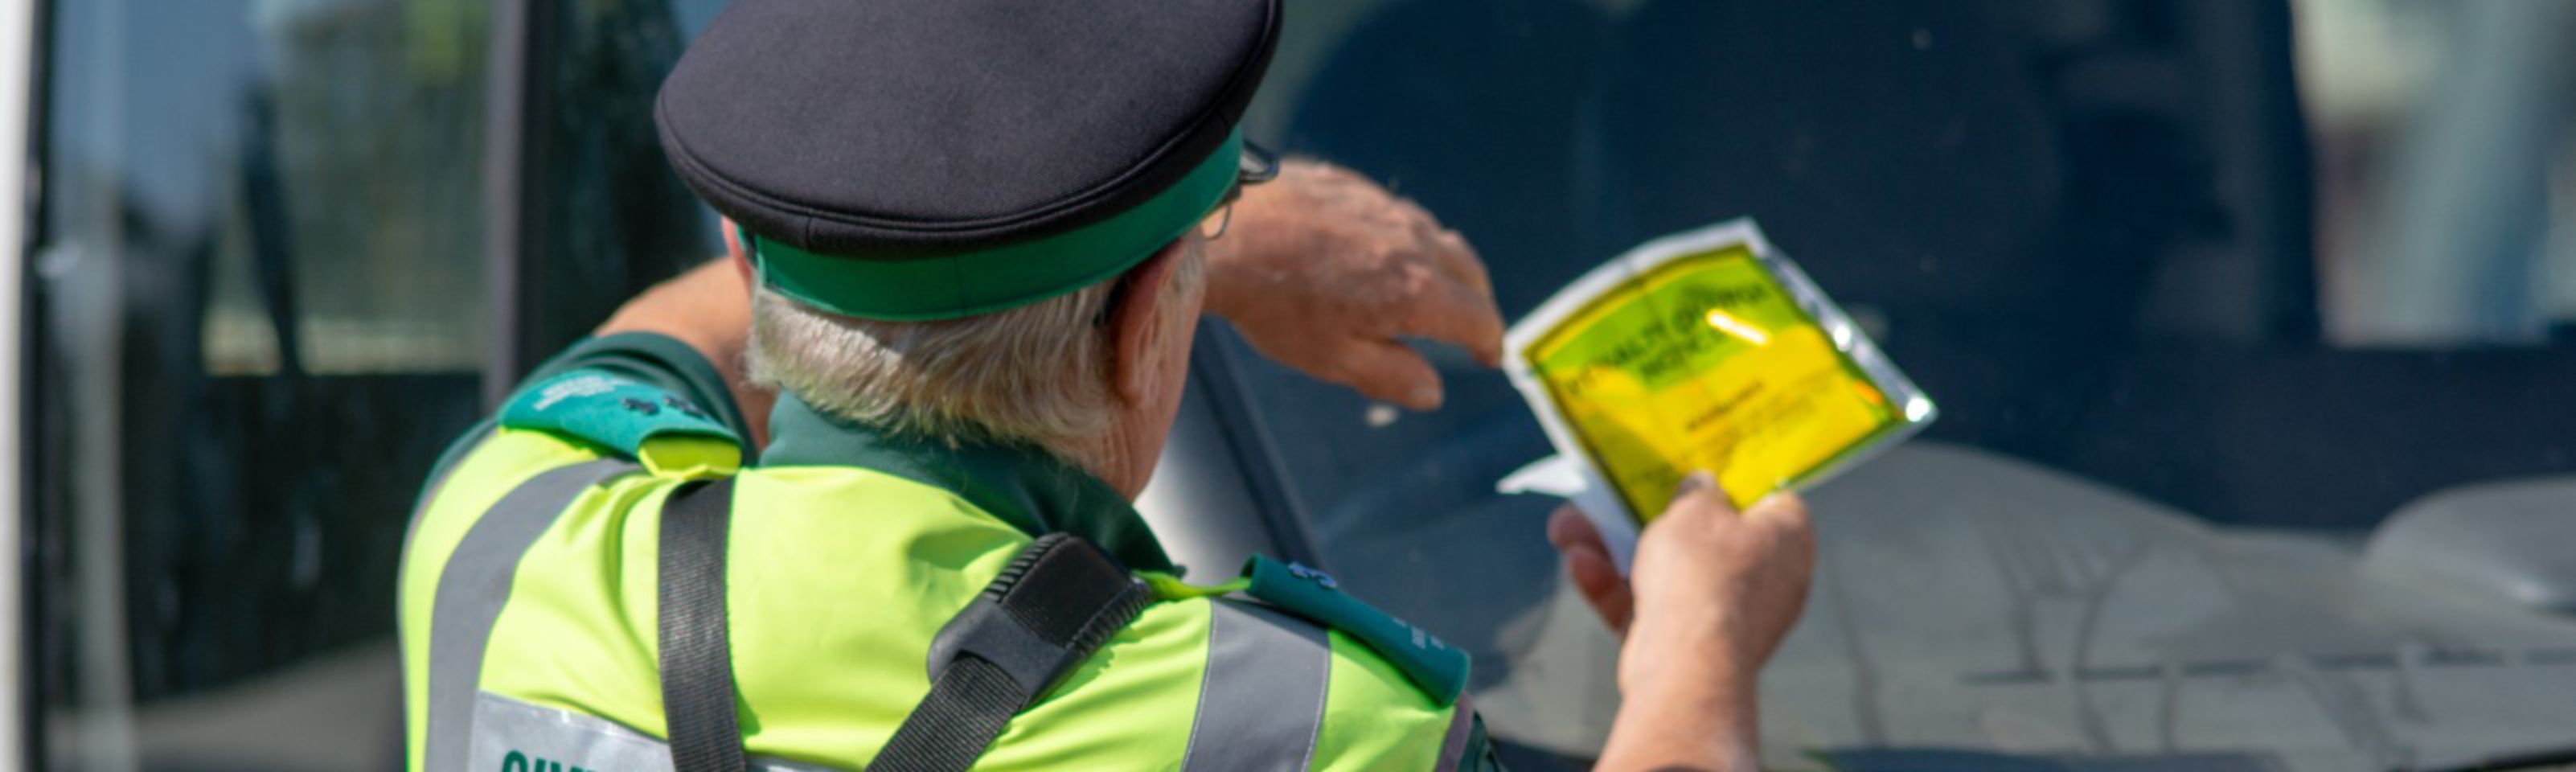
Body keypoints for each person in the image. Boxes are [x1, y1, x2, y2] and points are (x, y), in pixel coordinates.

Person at [396, 1, 1815, 770]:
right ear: (1150, 332)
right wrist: (1700, 652)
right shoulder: (1307, 736)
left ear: (741, 246)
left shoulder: (498, 538)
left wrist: (1210, 242)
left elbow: (667, 335)